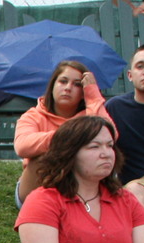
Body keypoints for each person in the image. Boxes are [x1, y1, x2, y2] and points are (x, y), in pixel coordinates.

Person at [11, 115, 144, 243]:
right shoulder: (42, 200)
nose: (106, 154)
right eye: (94, 147)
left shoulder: (126, 199)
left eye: (110, 146)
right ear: (70, 154)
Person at [15, 60, 110, 205]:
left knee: (101, 153)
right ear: (52, 86)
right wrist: (71, 136)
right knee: (43, 157)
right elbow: (22, 146)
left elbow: (110, 135)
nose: (68, 88)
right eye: (63, 81)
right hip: (37, 187)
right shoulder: (33, 116)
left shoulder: (90, 115)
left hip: (80, 187)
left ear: (83, 92)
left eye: (77, 84)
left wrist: (93, 96)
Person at [103, 44, 144, 210]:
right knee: (135, 190)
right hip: (133, 187)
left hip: (136, 188)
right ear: (130, 75)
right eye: (140, 66)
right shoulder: (116, 107)